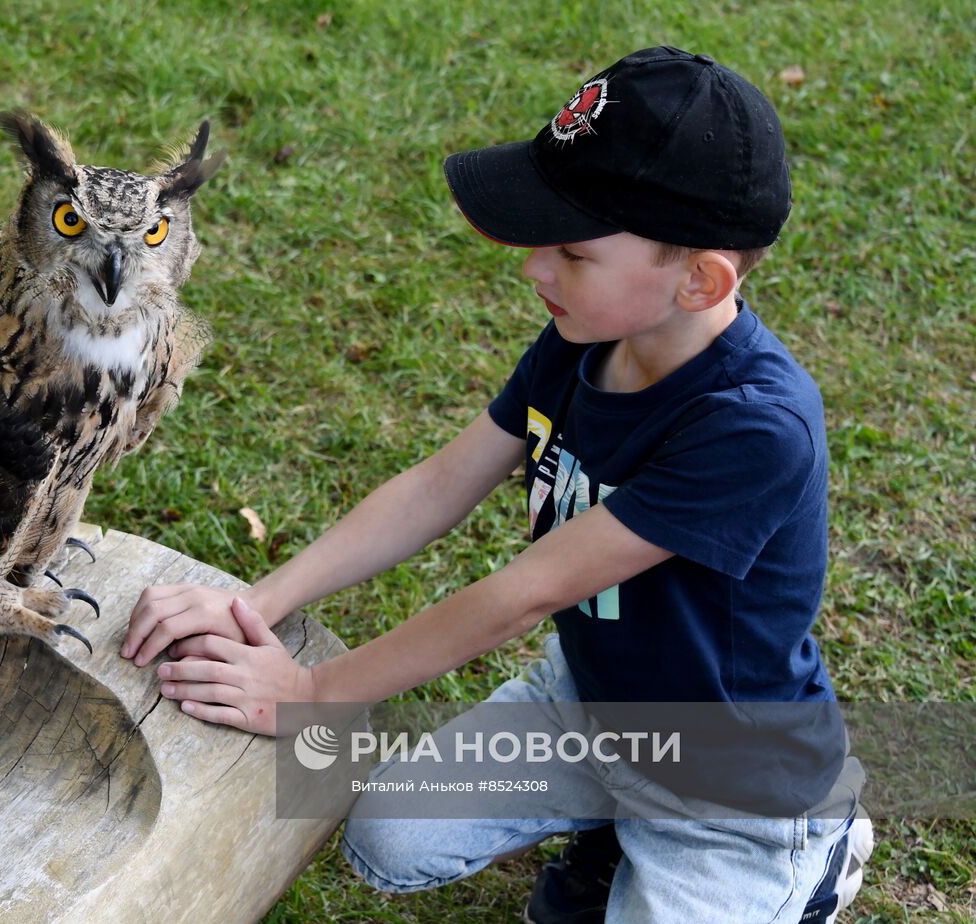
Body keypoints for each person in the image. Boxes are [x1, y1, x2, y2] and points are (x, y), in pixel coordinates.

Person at [121, 46, 871, 923]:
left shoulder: (754, 428)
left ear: (699, 278)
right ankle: (613, 822)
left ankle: (812, 857)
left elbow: (523, 594)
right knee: (386, 836)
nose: (534, 268)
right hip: (588, 707)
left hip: (731, 794)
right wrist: (255, 604)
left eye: (573, 251)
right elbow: (439, 485)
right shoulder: (585, 338)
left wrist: (316, 695)